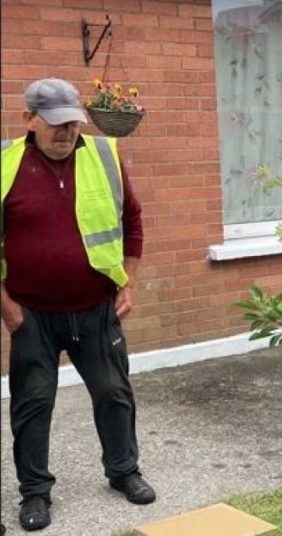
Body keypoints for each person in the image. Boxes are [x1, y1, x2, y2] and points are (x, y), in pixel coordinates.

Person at [1, 78, 154, 532]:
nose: (66, 132)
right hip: (31, 315)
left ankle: (123, 471)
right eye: (56, 123)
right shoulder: (6, 163)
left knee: (113, 394)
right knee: (33, 405)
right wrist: (7, 309)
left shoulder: (105, 156)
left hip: (96, 310)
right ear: (29, 119)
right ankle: (35, 492)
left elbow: (133, 222)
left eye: (72, 122)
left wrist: (129, 283)